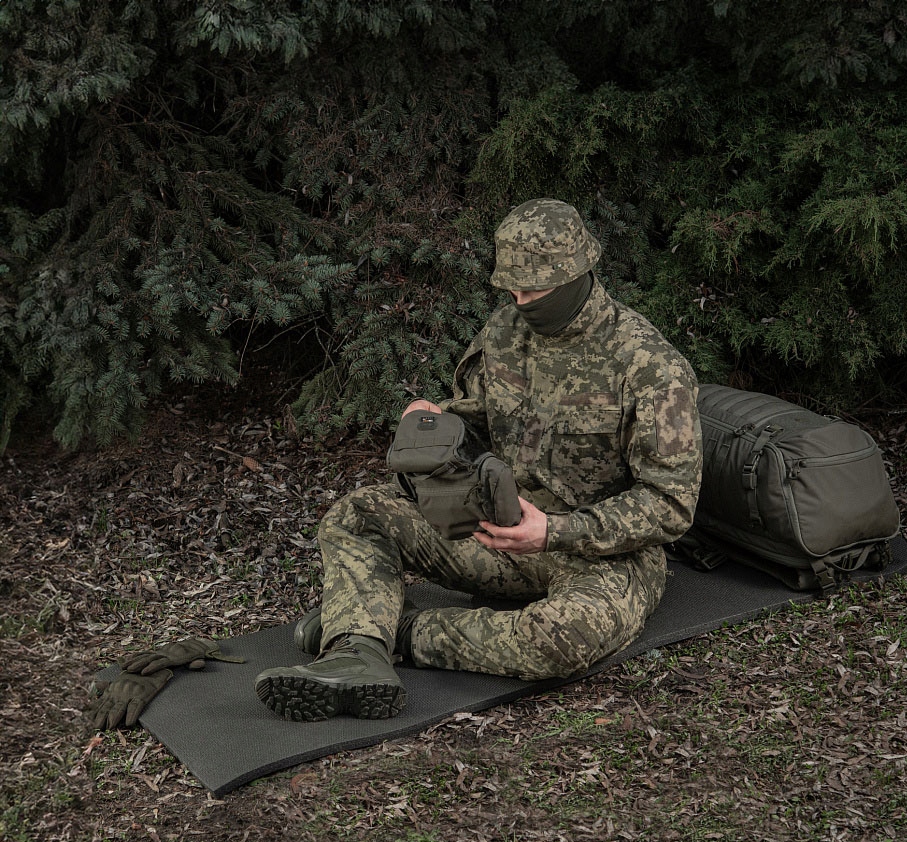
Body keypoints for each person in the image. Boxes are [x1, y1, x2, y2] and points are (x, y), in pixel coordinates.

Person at [253, 198, 703, 721]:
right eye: (512, 288)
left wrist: (556, 531)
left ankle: (392, 632)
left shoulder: (649, 366)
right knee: (358, 514)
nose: (520, 301)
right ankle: (355, 655)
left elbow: (670, 503)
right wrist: (434, 421)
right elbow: (476, 422)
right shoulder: (504, 333)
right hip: (497, 529)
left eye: (533, 290)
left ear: (575, 274)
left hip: (602, 554)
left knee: (561, 640)